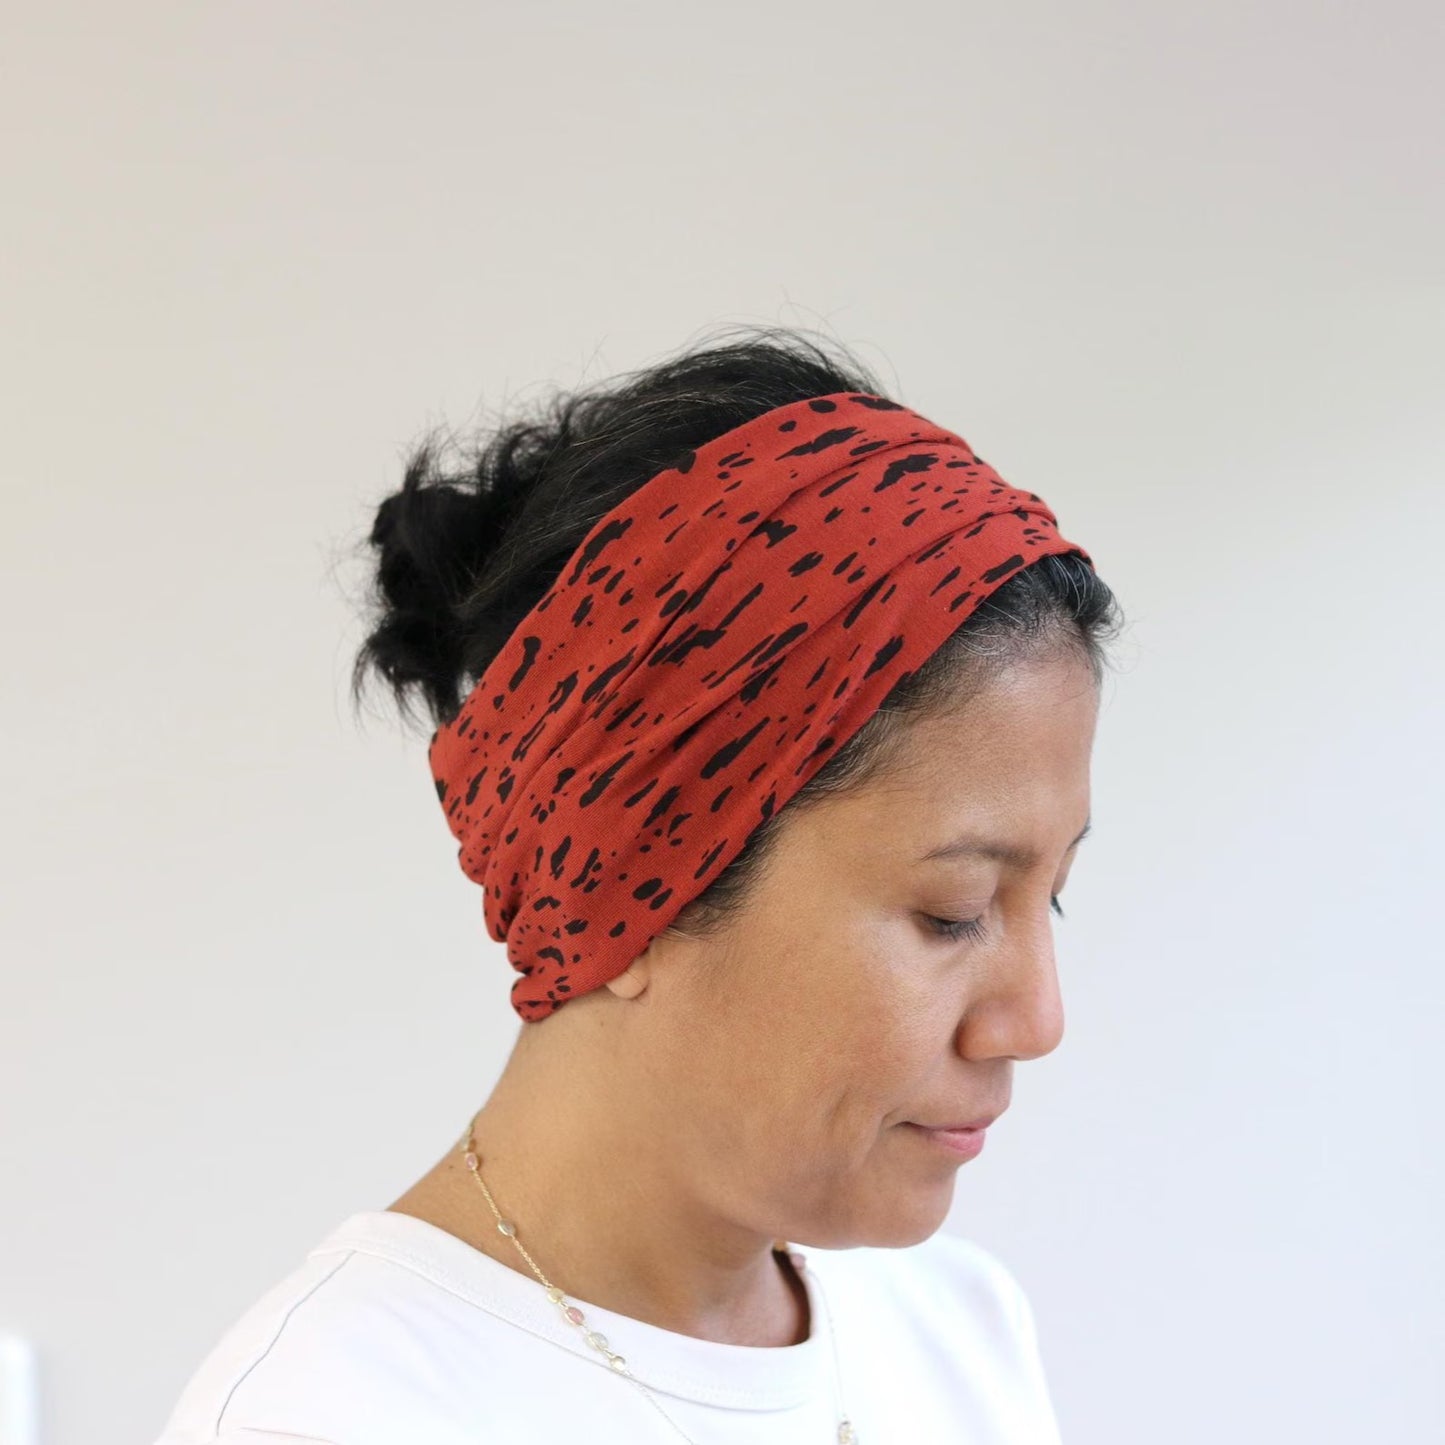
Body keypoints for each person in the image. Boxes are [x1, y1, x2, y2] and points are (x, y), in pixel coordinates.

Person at [154, 325, 1125, 1443]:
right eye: (950, 912)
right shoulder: (335, 1412)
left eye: (1045, 895)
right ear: (635, 879)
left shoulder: (955, 1331)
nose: (1035, 1021)